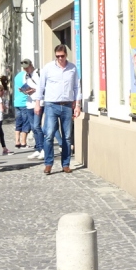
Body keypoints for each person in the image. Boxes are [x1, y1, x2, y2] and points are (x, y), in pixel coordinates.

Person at [33, 44, 81, 175]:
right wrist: (37, 103)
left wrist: (77, 105)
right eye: (58, 56)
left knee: (67, 137)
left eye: (62, 56)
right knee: (49, 135)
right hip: (51, 105)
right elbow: (41, 86)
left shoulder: (72, 68)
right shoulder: (48, 68)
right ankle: (48, 164)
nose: (60, 58)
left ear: (66, 55)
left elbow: (77, 87)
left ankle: (66, 164)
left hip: (67, 105)